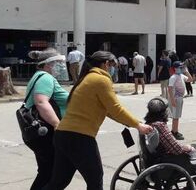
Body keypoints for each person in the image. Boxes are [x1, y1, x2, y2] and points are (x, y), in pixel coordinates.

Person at [44, 51, 153, 189]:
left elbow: (108, 111)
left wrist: (134, 123)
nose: (113, 69)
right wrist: (138, 125)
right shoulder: (101, 80)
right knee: (95, 179)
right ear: (106, 64)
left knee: (59, 181)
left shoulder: (86, 78)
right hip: (79, 137)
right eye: (113, 65)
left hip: (63, 135)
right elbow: (115, 108)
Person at [24, 49, 69, 190]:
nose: (61, 66)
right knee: (50, 172)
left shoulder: (40, 76)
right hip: (46, 132)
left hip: (40, 132)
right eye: (58, 63)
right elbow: (41, 102)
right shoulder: (45, 78)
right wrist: (57, 124)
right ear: (48, 64)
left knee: (46, 171)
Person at [168, 61, 194, 140]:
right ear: (175, 68)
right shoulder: (173, 77)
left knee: (177, 116)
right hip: (175, 98)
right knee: (175, 116)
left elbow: (190, 79)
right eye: (180, 67)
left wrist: (186, 71)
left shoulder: (181, 75)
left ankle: (175, 130)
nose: (181, 69)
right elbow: (170, 89)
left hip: (180, 98)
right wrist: (172, 100)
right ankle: (174, 132)